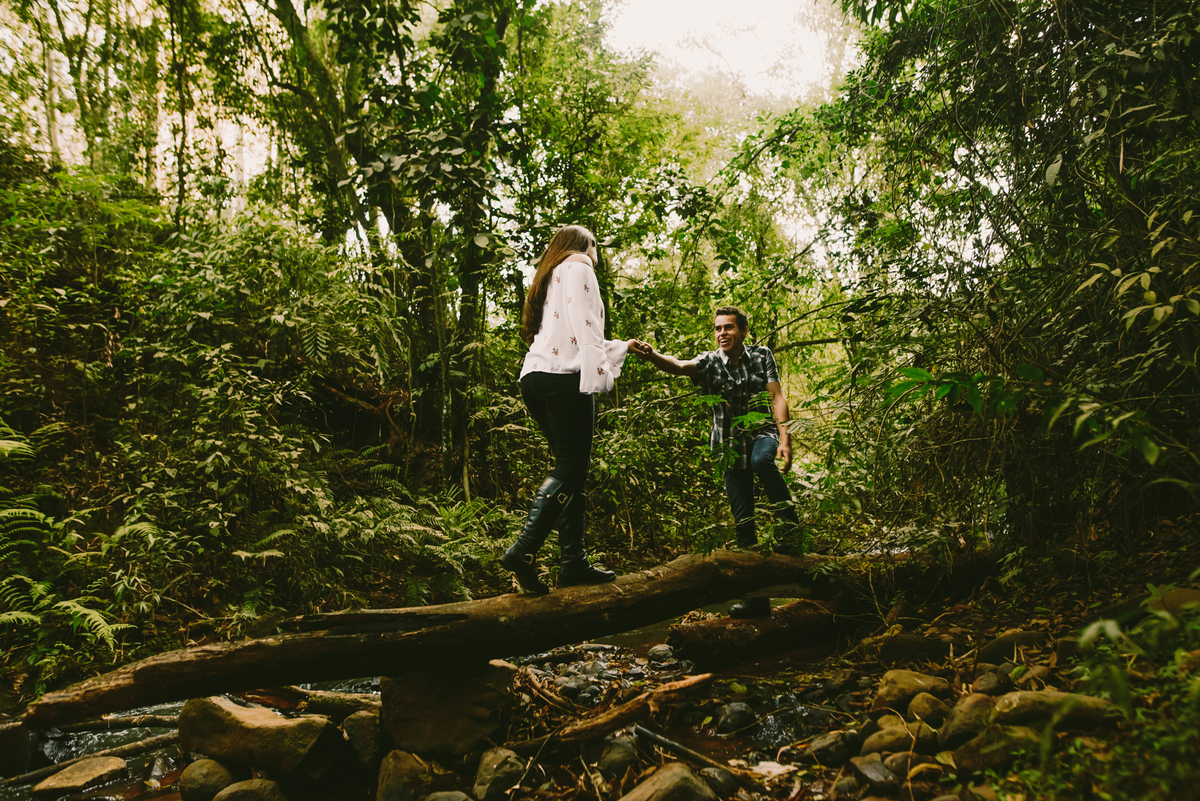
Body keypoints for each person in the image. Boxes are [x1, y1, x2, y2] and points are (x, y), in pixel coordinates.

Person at [632, 306, 803, 617]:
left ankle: (790, 532)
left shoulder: (762, 355)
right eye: (718, 328)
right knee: (743, 525)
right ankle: (756, 599)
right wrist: (652, 355)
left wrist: (786, 440)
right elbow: (680, 366)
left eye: (728, 327)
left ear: (743, 332)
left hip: (762, 431)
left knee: (763, 462)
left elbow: (777, 396)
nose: (722, 333)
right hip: (727, 445)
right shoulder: (709, 361)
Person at [500, 224, 636, 594]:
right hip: (563, 380)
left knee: (570, 471)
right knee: (572, 467)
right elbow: (586, 327)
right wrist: (600, 375)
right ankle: (523, 551)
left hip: (537, 378)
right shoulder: (579, 266)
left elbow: (569, 333)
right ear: (583, 245)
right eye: (595, 244)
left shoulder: (554, 273)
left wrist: (620, 347)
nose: (597, 252)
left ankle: (573, 561)